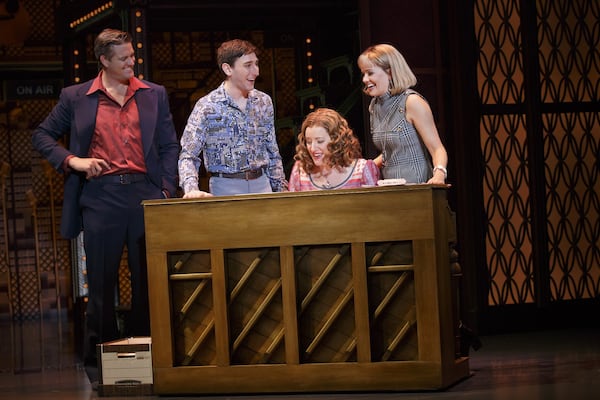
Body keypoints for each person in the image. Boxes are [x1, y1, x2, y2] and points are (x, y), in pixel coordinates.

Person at [31, 29, 179, 368]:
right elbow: (42, 135)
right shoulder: (77, 96)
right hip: (101, 196)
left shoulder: (153, 94)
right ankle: (101, 363)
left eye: (132, 55)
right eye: (124, 58)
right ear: (104, 61)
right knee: (100, 283)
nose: (132, 62)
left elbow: (170, 145)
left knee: (147, 282)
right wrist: (73, 161)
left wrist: (166, 191)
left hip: (146, 194)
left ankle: (149, 358)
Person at [178, 39, 287, 197]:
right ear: (228, 69)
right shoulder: (207, 106)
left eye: (256, 64)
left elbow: (272, 151)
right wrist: (191, 189)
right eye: (248, 65)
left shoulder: (263, 102)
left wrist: (281, 189)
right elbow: (188, 154)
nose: (256, 71)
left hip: (263, 186)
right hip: (225, 188)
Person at [357, 43, 448, 185]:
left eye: (370, 73)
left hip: (418, 188)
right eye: (363, 74)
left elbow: (437, 148)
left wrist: (439, 175)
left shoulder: (412, 102)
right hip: (391, 189)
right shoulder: (374, 106)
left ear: (390, 72)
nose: (364, 79)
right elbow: (390, 152)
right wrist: (361, 170)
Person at [288, 108, 379, 191]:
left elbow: (374, 207)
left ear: (337, 140)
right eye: (308, 142)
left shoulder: (362, 170)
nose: (312, 148)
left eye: (320, 141)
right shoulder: (300, 171)